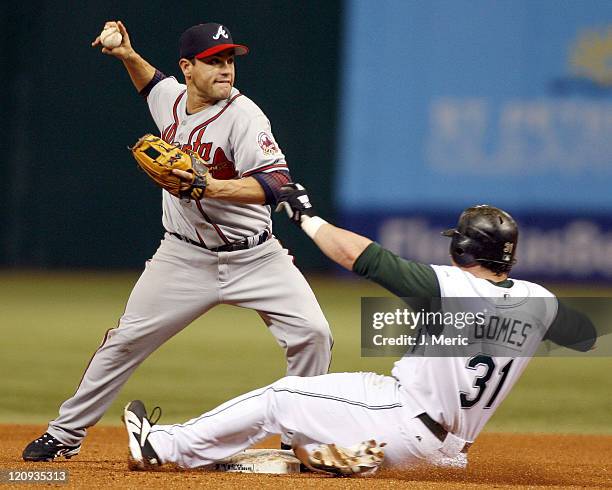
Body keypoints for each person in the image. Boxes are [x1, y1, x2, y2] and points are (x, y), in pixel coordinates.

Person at [120, 185, 597, 476]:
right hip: (448, 453)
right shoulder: (541, 302)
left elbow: (361, 257)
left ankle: (162, 447)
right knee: (323, 405)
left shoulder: (447, 284)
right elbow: (587, 335)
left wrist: (306, 217)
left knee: (282, 398)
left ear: (465, 250)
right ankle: (330, 457)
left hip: (405, 420)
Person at [22, 23, 333, 462]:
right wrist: (127, 55)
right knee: (125, 341)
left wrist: (209, 187)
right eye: (214, 62)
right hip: (183, 256)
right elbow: (152, 84)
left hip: (256, 256)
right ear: (188, 68)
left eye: (230, 61)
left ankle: (297, 440)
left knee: (313, 334)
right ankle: (65, 435)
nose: (226, 70)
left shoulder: (245, 117)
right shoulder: (172, 99)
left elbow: (276, 182)